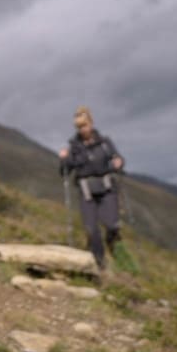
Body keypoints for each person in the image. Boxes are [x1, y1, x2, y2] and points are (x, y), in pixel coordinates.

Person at [59, 106, 125, 269]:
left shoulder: (104, 143)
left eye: (85, 125)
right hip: (87, 190)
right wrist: (64, 160)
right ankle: (99, 262)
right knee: (91, 228)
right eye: (79, 127)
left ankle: (113, 242)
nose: (83, 129)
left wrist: (119, 162)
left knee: (111, 224)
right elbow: (65, 171)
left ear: (91, 123)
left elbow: (117, 158)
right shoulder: (74, 148)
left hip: (107, 188)